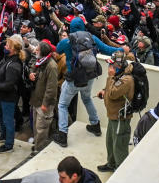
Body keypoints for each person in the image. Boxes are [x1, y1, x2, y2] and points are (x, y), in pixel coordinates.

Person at [53, 16, 121, 147]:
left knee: (62, 105)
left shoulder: (67, 41)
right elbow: (107, 49)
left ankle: (62, 135)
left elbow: (57, 50)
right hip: (89, 76)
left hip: (74, 79)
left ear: (70, 28)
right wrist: (123, 50)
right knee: (87, 98)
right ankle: (95, 125)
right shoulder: (92, 38)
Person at [95, 49, 135, 173]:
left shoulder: (127, 79)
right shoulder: (120, 75)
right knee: (110, 142)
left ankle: (120, 171)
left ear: (118, 65)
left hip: (120, 118)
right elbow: (111, 88)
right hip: (113, 115)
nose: (109, 67)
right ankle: (111, 164)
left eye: (112, 64)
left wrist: (110, 76)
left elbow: (113, 93)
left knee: (119, 146)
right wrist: (104, 91)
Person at [0, 35, 25, 153]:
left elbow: (9, 85)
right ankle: (4, 134)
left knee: (8, 120)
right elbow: (1, 68)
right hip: (1, 95)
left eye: (7, 46)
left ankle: (9, 144)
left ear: (13, 50)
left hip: (9, 97)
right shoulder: (7, 59)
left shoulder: (14, 65)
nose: (4, 47)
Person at [29, 40, 58, 153]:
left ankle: (38, 150)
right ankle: (37, 144)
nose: (35, 50)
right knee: (37, 127)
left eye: (38, 49)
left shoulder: (52, 66)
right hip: (36, 100)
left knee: (41, 128)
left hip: (44, 104)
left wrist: (45, 104)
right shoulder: (39, 61)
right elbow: (32, 68)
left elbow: (51, 88)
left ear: (43, 52)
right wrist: (30, 74)